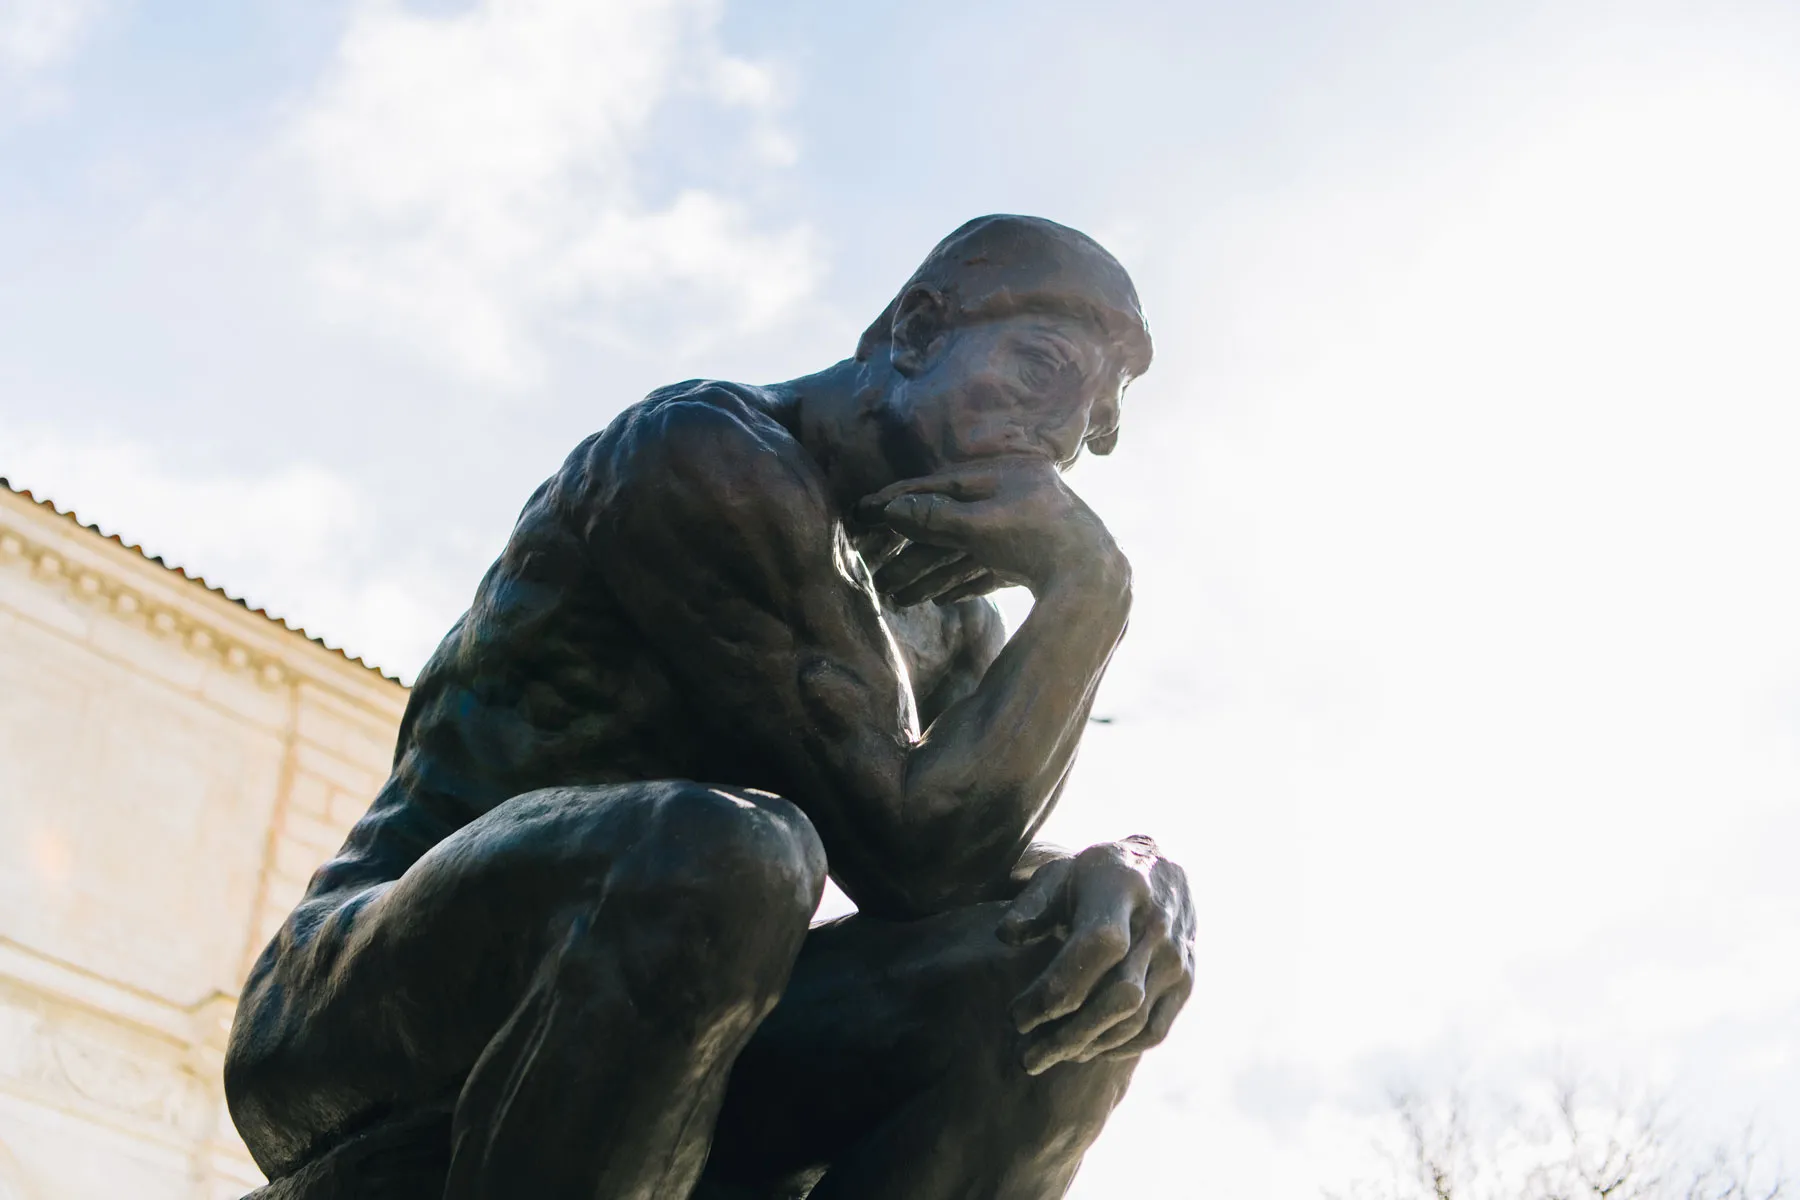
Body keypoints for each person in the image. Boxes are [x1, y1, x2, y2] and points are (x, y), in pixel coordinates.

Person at [225, 214, 1197, 1200]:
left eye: (1092, 428)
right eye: (1041, 371)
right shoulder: (703, 455)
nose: (1061, 442)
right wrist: (1089, 594)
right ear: (916, 330)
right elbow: (916, 851)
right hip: (361, 1013)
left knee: (1074, 965)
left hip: (680, 1030)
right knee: (726, 850)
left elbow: (971, 872)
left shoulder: (954, 629)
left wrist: (1112, 877)